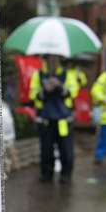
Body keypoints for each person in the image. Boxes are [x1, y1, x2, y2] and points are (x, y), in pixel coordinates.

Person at [29, 55, 74, 183]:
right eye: (48, 58)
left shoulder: (67, 75)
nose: (52, 61)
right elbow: (33, 95)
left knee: (66, 149)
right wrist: (45, 90)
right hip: (46, 119)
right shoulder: (38, 75)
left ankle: (66, 175)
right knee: (46, 149)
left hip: (63, 120)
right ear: (44, 60)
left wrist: (60, 86)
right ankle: (46, 174)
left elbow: (73, 92)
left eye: (55, 58)